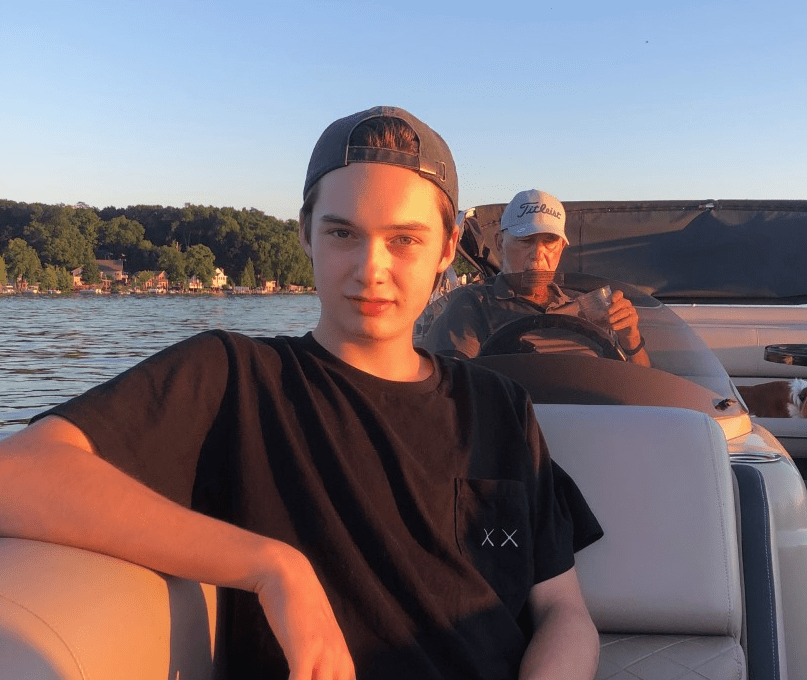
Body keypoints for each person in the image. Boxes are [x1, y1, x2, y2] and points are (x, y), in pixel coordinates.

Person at [0, 107, 600, 680]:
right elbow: (17, 474)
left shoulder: (498, 406)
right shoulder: (234, 378)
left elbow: (562, 612)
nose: (370, 268)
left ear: (448, 247)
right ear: (305, 235)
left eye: (404, 239)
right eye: (342, 232)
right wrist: (272, 567)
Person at [420, 188, 651, 367]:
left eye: (549, 242)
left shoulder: (588, 307)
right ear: (500, 244)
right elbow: (453, 385)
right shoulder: (470, 305)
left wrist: (630, 339)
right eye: (526, 241)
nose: (538, 254)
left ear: (561, 248)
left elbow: (639, 390)